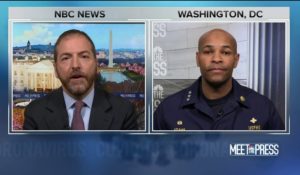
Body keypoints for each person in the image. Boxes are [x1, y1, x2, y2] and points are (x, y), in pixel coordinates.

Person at [154, 29, 284, 130]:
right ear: (197, 58)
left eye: (226, 52)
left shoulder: (263, 108)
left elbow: (281, 158)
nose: (216, 59)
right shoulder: (168, 109)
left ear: (236, 60)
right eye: (208, 52)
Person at [23, 29, 138, 130]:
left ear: (96, 66)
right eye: (66, 58)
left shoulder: (123, 112)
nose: (75, 65)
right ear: (56, 70)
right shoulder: (35, 113)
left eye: (84, 56)